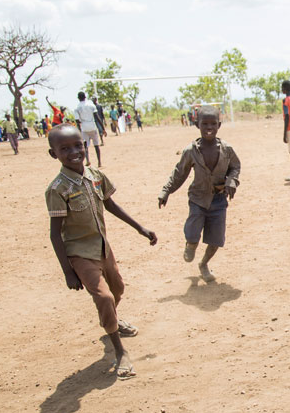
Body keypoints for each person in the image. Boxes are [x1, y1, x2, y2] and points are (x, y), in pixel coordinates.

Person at [45, 124, 157, 378]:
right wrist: (68, 272)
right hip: (79, 254)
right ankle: (120, 351)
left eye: (78, 145)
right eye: (65, 149)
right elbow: (55, 234)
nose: (74, 151)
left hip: (103, 248)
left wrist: (140, 228)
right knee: (104, 298)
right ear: (54, 154)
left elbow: (110, 204)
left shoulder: (96, 175)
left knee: (117, 290)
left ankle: (112, 321)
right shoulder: (57, 189)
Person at [158, 106, 240, 283]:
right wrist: (166, 191)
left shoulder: (227, 149)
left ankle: (204, 264)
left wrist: (231, 181)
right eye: (205, 124)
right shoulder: (191, 151)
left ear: (219, 125)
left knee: (216, 239)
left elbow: (235, 167)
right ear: (197, 125)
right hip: (198, 199)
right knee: (193, 231)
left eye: (213, 123)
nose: (209, 127)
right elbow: (179, 173)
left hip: (219, 200)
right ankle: (191, 244)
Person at [75, 91, 106, 167]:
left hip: (84, 128)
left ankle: (88, 160)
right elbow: (97, 117)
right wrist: (103, 128)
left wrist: (79, 130)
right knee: (96, 145)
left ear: (78, 98)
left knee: (85, 146)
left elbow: (77, 120)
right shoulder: (91, 105)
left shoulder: (77, 108)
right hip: (92, 126)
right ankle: (99, 162)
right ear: (85, 97)